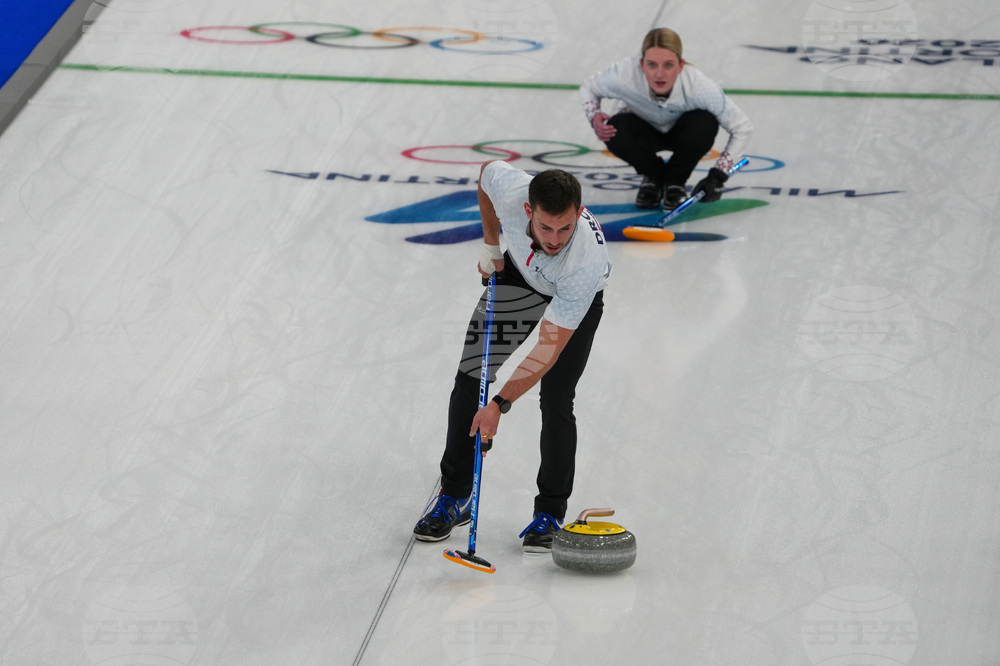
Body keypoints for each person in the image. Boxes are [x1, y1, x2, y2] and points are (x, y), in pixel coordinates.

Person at [413, 160, 612, 552]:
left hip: (575, 300)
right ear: (528, 211)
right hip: (519, 278)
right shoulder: (512, 189)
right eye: (545, 227)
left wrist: (500, 405)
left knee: (556, 398)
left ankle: (549, 512)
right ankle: (455, 496)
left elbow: (546, 349)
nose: (555, 239)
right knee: (471, 376)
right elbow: (486, 174)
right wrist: (491, 245)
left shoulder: (584, 262)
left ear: (579, 213)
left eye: (565, 228)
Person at [580, 27, 753, 210]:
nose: (659, 74)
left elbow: (742, 127)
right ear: (641, 65)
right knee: (615, 128)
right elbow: (589, 87)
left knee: (705, 122)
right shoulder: (623, 74)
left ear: (681, 65)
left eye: (668, 65)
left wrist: (718, 176)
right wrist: (594, 116)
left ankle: (675, 182)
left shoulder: (700, 87)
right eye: (652, 65)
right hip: (642, 131)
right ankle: (654, 177)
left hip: (683, 133)